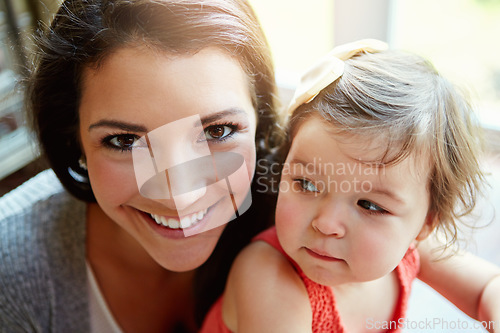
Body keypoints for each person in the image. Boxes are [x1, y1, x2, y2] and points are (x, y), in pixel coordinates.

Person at [0, 0, 282, 332]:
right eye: (125, 141)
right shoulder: (11, 270)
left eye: (216, 131)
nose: (180, 196)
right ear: (72, 138)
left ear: (260, 121)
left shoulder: (316, 214)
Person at [200, 40, 500, 332]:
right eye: (306, 184)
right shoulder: (269, 279)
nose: (327, 224)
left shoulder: (408, 246)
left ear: (425, 224)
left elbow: (487, 287)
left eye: (369, 205)